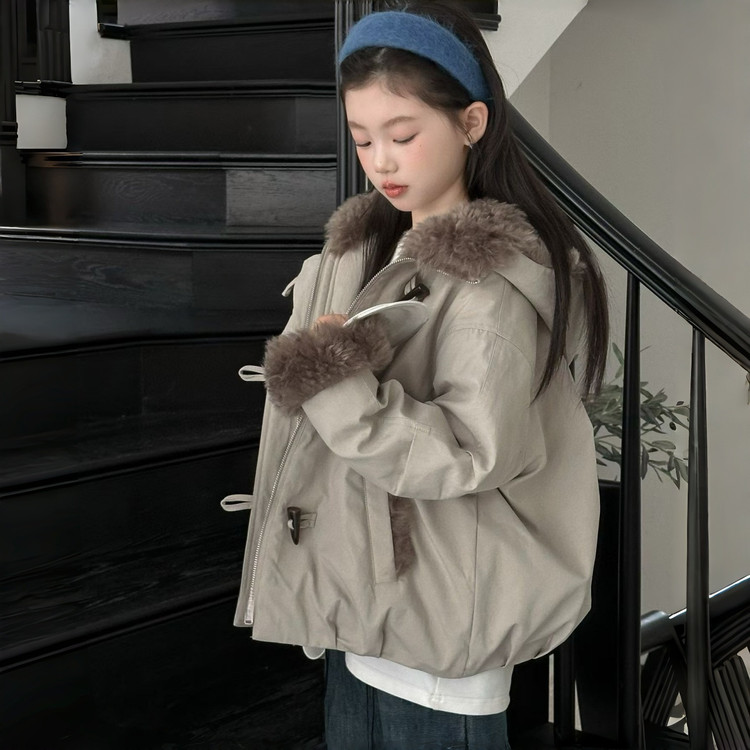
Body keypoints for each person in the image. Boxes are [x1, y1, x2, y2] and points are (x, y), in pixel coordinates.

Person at [224, 1, 609, 747]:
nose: (382, 161)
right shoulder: (362, 255)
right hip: (366, 617)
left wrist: (334, 382)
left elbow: (466, 452)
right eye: (363, 138)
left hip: (441, 638)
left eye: (403, 136)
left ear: (471, 123)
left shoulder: (489, 287)